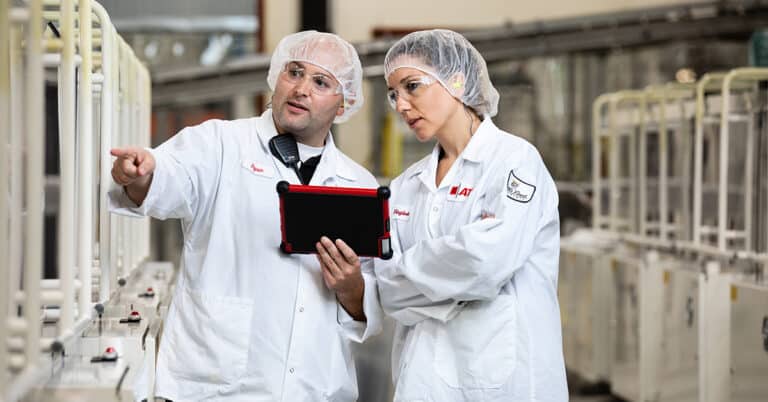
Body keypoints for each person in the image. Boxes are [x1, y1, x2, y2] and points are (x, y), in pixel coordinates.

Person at [108, 31, 383, 401]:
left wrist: (351, 287)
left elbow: (370, 299)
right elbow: (169, 177)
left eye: (320, 82)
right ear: (276, 78)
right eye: (295, 72)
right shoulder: (219, 144)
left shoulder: (359, 184)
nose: (301, 88)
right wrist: (140, 175)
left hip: (315, 389)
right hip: (215, 387)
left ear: (343, 102)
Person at [378, 29, 567, 401]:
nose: (401, 105)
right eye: (393, 94)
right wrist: (443, 278)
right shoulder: (405, 186)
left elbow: (484, 264)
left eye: (412, 86)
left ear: (456, 79)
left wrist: (407, 282)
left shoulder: (515, 161)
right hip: (420, 383)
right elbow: (382, 286)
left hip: (502, 385)